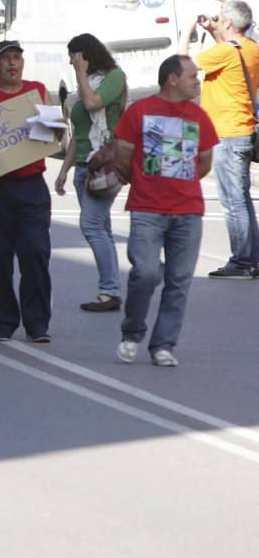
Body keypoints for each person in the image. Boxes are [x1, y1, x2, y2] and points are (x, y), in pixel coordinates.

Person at [113, 55, 216, 367]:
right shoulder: (140, 111)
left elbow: (204, 162)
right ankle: (132, 333)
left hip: (188, 211)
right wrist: (145, 183)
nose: (197, 81)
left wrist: (179, 184)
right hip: (147, 209)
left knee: (179, 281)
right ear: (173, 79)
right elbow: (122, 155)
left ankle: (163, 345)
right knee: (145, 273)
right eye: (192, 76)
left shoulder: (199, 116)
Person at [0, 41, 53, 343]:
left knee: (35, 251)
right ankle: (4, 320)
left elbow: (55, 133)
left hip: (31, 186)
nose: (12, 64)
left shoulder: (37, 91)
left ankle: (37, 322)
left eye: (16, 58)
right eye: (5, 59)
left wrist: (55, 126)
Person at [179, 0, 259, 278]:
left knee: (233, 202)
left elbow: (181, 67)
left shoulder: (226, 51)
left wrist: (188, 31)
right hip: (242, 130)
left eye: (220, 17)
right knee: (241, 199)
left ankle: (242, 262)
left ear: (228, 21)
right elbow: (227, 54)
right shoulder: (250, 47)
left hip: (227, 133)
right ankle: (251, 259)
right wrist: (214, 31)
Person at [55, 33, 128, 311]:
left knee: (91, 225)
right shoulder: (85, 84)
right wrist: (64, 169)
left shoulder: (113, 77)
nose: (71, 62)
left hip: (104, 163)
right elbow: (78, 133)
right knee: (102, 228)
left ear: (85, 55)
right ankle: (111, 290)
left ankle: (109, 291)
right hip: (83, 166)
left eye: (74, 56)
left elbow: (93, 103)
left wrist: (80, 73)